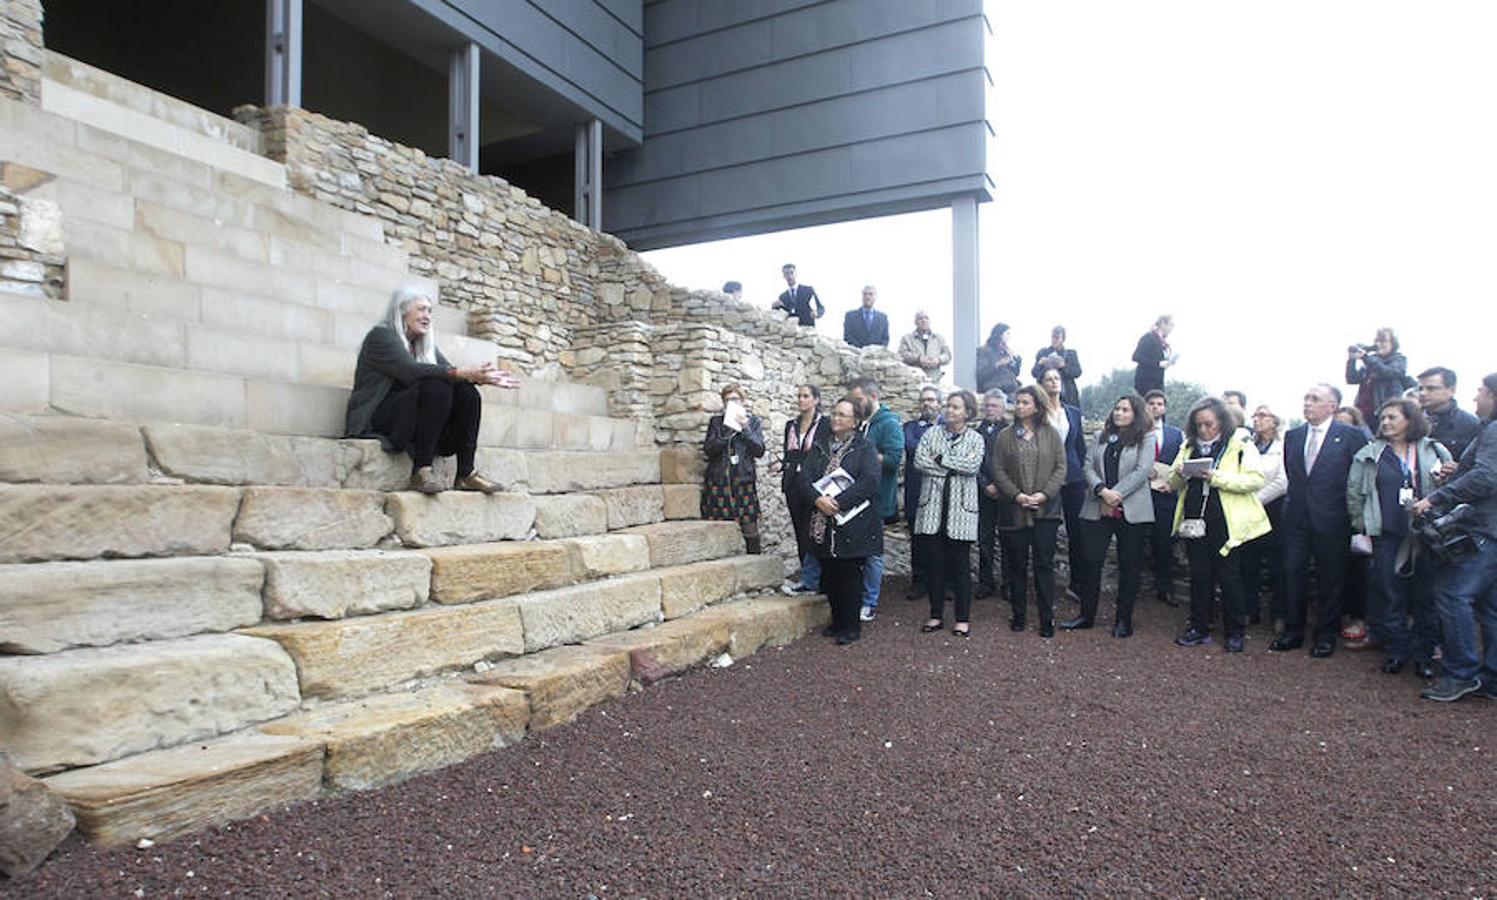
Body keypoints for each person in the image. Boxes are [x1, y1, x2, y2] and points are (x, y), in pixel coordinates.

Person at [345, 285, 517, 494]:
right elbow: (410, 371)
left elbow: (452, 374)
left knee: (466, 392)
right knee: (438, 383)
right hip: (379, 421)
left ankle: (466, 473)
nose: (427, 316)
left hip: (410, 421)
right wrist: (461, 373)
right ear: (402, 311)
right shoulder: (380, 337)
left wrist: (480, 378)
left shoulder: (422, 344)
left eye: (429, 311)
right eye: (421, 309)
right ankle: (421, 470)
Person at [1348, 397, 1451, 680]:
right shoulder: (1370, 453)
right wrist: (1363, 526)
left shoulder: (1433, 450)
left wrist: (1444, 480)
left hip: (1426, 533)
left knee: (1425, 596)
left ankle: (1425, 654)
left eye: (1392, 417)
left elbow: (1452, 487)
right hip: (1387, 533)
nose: (1385, 422)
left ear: (1410, 419)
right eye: (1382, 418)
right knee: (1389, 592)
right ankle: (1396, 650)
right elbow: (1355, 492)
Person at [1411, 373, 1497, 701]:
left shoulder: (1492, 430)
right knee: (1490, 607)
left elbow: (1488, 478)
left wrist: (1435, 498)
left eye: (1482, 392)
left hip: (1484, 529)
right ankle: (1491, 676)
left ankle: (1461, 673)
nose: (1477, 399)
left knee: (1451, 595)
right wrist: (1461, 469)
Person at [1271, 384, 1369, 658]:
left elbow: (1359, 479)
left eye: (1314, 399)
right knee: (1293, 575)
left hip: (1333, 520)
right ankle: (1293, 632)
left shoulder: (1351, 436)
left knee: (1331, 579)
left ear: (1332, 405)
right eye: (1306, 398)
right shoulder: (1293, 436)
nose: (1307, 403)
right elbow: (1295, 476)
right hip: (1296, 518)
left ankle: (1325, 636)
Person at [1169, 397, 1269, 653]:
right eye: (1199, 425)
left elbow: (1255, 480)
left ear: (1222, 423)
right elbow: (1172, 483)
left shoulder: (1240, 443)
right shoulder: (1188, 445)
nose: (1203, 430)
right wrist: (1179, 473)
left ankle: (1235, 631)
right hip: (1194, 520)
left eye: (1209, 424)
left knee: (1230, 576)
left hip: (1225, 521)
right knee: (1200, 575)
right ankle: (1199, 626)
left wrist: (1216, 478)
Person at [1065, 394, 1155, 637]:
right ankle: (1086, 615)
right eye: (1117, 408)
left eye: (1125, 410)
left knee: (1129, 566)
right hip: (1098, 506)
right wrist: (1101, 491)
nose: (1119, 413)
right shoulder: (1100, 437)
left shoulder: (1146, 437)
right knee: (1091, 562)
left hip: (1131, 509)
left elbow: (1143, 469)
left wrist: (1116, 494)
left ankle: (1123, 620)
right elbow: (1087, 466)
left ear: (1136, 414)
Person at [797, 397, 883, 644]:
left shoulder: (864, 448)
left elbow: (869, 482)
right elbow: (805, 479)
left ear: (855, 421)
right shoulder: (820, 446)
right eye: (834, 413)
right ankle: (837, 621)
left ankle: (851, 626)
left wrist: (838, 502)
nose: (836, 418)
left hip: (852, 523)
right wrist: (817, 500)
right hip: (822, 521)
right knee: (830, 574)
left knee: (849, 575)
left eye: (843, 415)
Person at [990, 386, 1068, 637]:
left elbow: (1060, 467)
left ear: (1037, 406)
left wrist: (1044, 494)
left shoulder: (1051, 434)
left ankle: (1047, 618)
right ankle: (1019, 615)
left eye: (1025, 402)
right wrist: (1017, 495)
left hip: (1046, 511)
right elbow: (998, 469)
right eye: (1017, 402)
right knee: (1017, 565)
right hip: (1014, 511)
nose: (1019, 406)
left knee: (1044, 565)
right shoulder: (1005, 435)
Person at [915, 390, 986, 636]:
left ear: (967, 412)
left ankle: (962, 618)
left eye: (956, 407)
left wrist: (942, 459)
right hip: (933, 510)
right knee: (935, 566)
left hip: (961, 513)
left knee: (960, 568)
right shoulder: (931, 433)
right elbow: (919, 461)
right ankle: (935, 615)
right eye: (948, 405)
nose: (949, 410)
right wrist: (954, 465)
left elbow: (972, 466)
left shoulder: (976, 439)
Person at [847, 377, 904, 621]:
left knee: (872, 553)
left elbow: (894, 460)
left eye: (858, 399)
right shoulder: (859, 425)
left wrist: (866, 457)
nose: (855, 405)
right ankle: (853, 596)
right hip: (854, 496)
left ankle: (869, 602)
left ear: (873, 397)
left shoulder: (889, 424)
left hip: (877, 498)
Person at [1040, 367, 1087, 605]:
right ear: (1042, 384)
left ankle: (1077, 583)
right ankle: (1044, 585)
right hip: (1046, 478)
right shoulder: (1037, 414)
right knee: (1044, 530)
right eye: (1049, 379)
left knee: (1077, 531)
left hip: (1073, 477)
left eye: (1057, 378)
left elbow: (1080, 447)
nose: (1054, 382)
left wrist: (1082, 472)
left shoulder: (1073, 413)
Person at [701, 384, 767, 553]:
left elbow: (759, 450)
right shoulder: (716, 422)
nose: (732, 403)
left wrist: (744, 428)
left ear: (742, 401)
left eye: (735, 399)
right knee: (717, 527)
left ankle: (755, 563)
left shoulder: (753, 422)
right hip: (720, 480)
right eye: (728, 400)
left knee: (750, 528)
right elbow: (709, 450)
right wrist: (727, 432)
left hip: (743, 479)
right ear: (723, 402)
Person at [1240, 404, 1289, 630]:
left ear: (1275, 420)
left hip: (1273, 511)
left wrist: (1256, 500)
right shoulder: (1248, 444)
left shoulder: (1283, 446)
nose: (1256, 419)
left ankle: (1279, 613)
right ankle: (1250, 610)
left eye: (1262, 415)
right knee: (1247, 562)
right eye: (1255, 415)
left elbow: (1282, 481)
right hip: (1245, 510)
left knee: (1277, 565)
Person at [779, 384, 830, 596]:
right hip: (793, 484)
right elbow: (789, 453)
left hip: (814, 484)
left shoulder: (825, 424)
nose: (801, 400)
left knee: (815, 531)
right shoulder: (791, 424)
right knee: (800, 531)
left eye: (806, 396)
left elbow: (823, 454)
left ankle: (821, 580)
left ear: (816, 399)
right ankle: (807, 579)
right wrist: (782, 464)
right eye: (799, 396)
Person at [1333, 405, 1374, 645]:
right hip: (1329, 513)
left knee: (1357, 568)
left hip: (1356, 515)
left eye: (1346, 423)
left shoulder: (1365, 450)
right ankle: (1338, 613)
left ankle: (1359, 617)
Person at [903, 384, 944, 601]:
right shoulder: (910, 427)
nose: (927, 404)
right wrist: (938, 453)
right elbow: (911, 447)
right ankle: (920, 582)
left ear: (939, 404)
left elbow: (952, 452)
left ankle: (944, 583)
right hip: (916, 492)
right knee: (918, 539)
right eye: (924, 400)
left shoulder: (949, 426)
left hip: (942, 492)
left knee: (942, 539)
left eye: (931, 400)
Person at [1143, 390, 1184, 606]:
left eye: (1159, 404)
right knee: (1136, 541)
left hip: (1165, 494)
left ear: (1164, 408)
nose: (1155, 407)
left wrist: (1172, 484)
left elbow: (1181, 463)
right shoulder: (1136, 431)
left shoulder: (1175, 434)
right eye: (1151, 403)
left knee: (1164, 543)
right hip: (1139, 493)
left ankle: (1165, 588)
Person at [974, 391, 1009, 600]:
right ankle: (986, 582)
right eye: (987, 406)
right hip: (983, 492)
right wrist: (985, 484)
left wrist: (1000, 485)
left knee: (1007, 540)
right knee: (984, 538)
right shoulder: (976, 433)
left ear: (1003, 408)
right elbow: (972, 461)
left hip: (1006, 493)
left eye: (995, 406)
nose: (990, 409)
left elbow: (1013, 462)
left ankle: (1008, 583)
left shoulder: (1011, 432)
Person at [1346, 327, 1408, 425]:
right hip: (1362, 411)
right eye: (1377, 341)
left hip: (1384, 411)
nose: (1379, 345)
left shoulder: (1399, 359)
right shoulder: (1372, 360)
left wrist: (1365, 357)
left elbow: (1388, 372)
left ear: (1393, 343)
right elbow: (1352, 379)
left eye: (1383, 341)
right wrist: (1352, 360)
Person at [1418, 367, 1482, 460]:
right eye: (1420, 389)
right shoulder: (1406, 420)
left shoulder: (1471, 424)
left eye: (1431, 388)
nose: (1423, 393)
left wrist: (1458, 467)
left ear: (1452, 390)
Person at [1031, 325, 1082, 408]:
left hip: (1067, 394)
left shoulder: (1071, 354)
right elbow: (1034, 373)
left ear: (1063, 339)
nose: (1054, 340)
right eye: (1053, 337)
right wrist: (1040, 363)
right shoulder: (1043, 353)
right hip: (1046, 393)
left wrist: (1063, 366)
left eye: (1057, 338)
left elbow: (1077, 372)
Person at [898, 311, 953, 382]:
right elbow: (901, 355)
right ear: (915, 322)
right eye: (920, 318)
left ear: (929, 321)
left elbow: (947, 355)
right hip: (914, 380)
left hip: (935, 379)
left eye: (926, 318)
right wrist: (918, 358)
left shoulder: (938, 338)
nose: (923, 320)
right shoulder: (907, 339)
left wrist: (939, 359)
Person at [975, 323, 1022, 399]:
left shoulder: (1006, 350)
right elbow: (981, 374)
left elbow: (1015, 373)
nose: (1009, 337)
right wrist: (999, 364)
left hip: (1011, 389)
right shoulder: (984, 351)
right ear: (999, 334)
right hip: (994, 390)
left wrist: (1017, 361)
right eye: (1007, 334)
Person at [1132, 314, 1175, 395]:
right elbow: (1136, 357)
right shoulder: (1148, 338)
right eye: (1171, 325)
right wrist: (1157, 363)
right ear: (1163, 324)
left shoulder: (1162, 341)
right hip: (1146, 381)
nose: (1172, 328)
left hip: (1157, 381)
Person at [771, 263, 823, 327]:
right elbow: (780, 316)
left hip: (808, 330)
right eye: (786, 274)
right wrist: (774, 308)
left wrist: (817, 313)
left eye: (791, 273)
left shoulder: (808, 290)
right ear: (783, 276)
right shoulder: (782, 297)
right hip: (792, 333)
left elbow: (820, 308)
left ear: (796, 274)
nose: (789, 276)